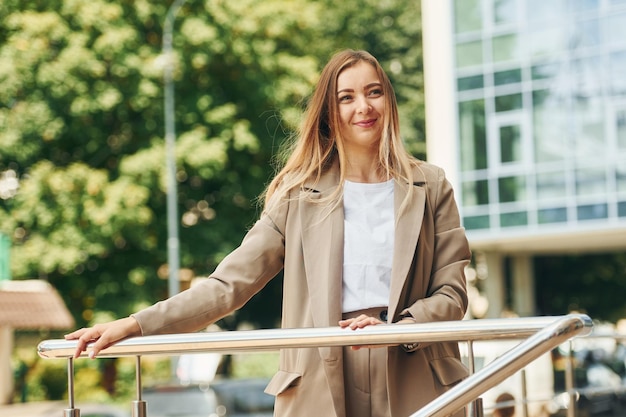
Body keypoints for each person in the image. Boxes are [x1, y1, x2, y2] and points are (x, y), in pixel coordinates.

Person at [66, 49, 471, 417]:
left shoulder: (430, 185)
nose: (363, 107)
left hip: (411, 362)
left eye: (374, 92)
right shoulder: (298, 195)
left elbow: (452, 293)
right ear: (329, 113)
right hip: (319, 375)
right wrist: (135, 325)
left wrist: (400, 330)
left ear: (389, 101)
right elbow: (227, 287)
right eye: (346, 97)